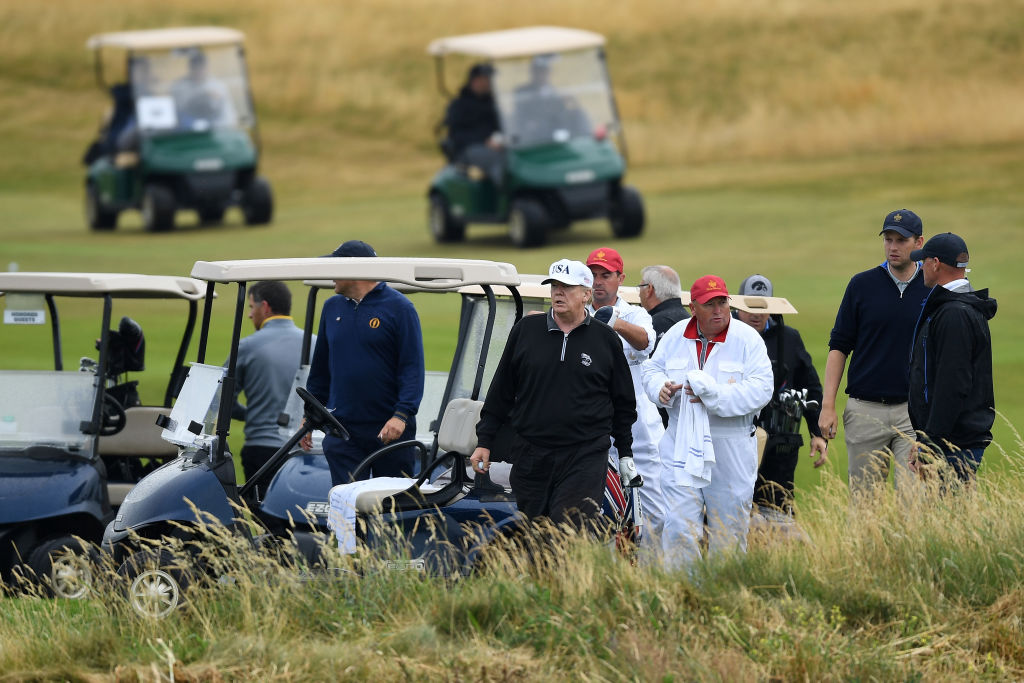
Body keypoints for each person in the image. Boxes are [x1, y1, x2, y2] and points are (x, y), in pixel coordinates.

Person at [470, 259, 636, 532]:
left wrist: (626, 452)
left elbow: (623, 403)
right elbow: (501, 392)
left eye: (567, 287)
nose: (558, 293)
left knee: (568, 532)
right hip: (531, 454)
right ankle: (543, 576)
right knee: (536, 533)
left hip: (585, 454)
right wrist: (485, 440)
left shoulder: (606, 340)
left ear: (586, 294)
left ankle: (567, 575)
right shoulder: (526, 331)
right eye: (555, 286)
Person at [642, 275, 773, 569]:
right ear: (693, 308)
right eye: (709, 304)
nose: (718, 311)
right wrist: (659, 389)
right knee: (678, 526)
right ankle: (684, 594)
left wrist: (714, 397)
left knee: (729, 529)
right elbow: (651, 369)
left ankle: (723, 595)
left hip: (730, 443)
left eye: (722, 303)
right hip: (680, 440)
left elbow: (762, 389)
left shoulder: (747, 339)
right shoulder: (676, 335)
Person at [819, 209, 930, 496]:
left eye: (901, 241)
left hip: (914, 412)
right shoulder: (862, 285)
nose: (893, 247)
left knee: (914, 504)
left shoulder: (931, 288)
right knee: (866, 507)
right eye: (888, 240)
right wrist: (828, 405)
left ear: (919, 243)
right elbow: (839, 346)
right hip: (865, 409)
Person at [303, 240, 425, 485]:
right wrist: (310, 416)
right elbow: (321, 370)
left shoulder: (400, 308)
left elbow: (411, 368)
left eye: (334, 267)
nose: (329, 275)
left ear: (354, 270)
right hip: (343, 430)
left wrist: (401, 415)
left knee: (390, 511)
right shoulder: (331, 308)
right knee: (346, 507)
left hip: (390, 430)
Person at [585, 247, 666, 544]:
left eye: (605, 275)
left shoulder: (635, 314)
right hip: (593, 431)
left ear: (620, 278)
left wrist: (612, 322)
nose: (598, 282)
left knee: (653, 512)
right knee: (599, 513)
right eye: (592, 275)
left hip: (638, 431)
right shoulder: (575, 314)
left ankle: (653, 576)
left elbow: (645, 343)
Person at [733, 274, 826, 520]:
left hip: (780, 445)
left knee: (778, 510)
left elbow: (811, 387)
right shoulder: (725, 335)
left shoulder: (790, 338)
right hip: (733, 440)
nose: (756, 314)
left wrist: (817, 433)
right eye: (750, 307)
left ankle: (776, 554)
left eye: (763, 308)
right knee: (733, 509)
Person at [907, 233, 997, 482]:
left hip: (953, 445)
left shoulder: (953, 314)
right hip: (952, 440)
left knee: (947, 516)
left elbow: (952, 385)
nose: (920, 267)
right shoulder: (959, 308)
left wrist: (930, 443)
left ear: (935, 263)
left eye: (923, 261)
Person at [230, 281, 311, 484]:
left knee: (260, 516)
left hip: (262, 450)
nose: (250, 314)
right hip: (306, 450)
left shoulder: (248, 346)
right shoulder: (316, 343)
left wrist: (252, 413)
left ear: (264, 307)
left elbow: (223, 399)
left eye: (251, 307)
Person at [442, 63, 503, 183]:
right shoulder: (459, 105)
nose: (490, 83)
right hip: (468, 149)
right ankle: (505, 196)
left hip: (494, 146)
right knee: (498, 161)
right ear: (475, 81)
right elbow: (456, 135)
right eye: (486, 79)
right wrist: (484, 141)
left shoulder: (492, 103)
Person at [511, 54, 589, 146]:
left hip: (552, 128)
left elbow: (558, 112)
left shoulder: (552, 90)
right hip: (534, 132)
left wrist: (566, 102)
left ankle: (586, 140)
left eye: (545, 71)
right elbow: (525, 114)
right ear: (533, 73)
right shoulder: (522, 92)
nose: (543, 75)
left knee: (578, 113)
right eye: (540, 71)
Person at [170, 50, 237, 127]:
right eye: (195, 67)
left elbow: (228, 115)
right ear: (190, 68)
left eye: (201, 67)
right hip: (186, 131)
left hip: (215, 130)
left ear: (206, 67)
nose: (199, 71)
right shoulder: (179, 87)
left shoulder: (218, 86)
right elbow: (177, 112)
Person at [638, 265, 690, 349]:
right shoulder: (689, 320)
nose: (639, 294)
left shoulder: (653, 325)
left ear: (649, 289)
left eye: (640, 287)